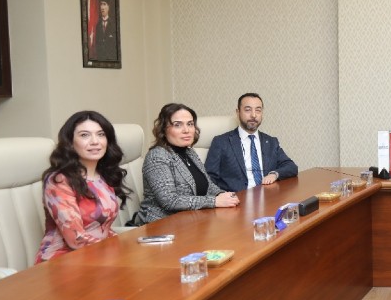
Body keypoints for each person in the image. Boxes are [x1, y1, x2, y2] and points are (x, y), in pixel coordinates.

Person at [35, 111, 131, 264]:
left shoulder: (104, 176)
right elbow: (76, 239)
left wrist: (128, 246)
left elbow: (102, 229)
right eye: (85, 135)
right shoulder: (59, 181)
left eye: (101, 134)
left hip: (100, 257)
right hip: (63, 261)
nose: (95, 141)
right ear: (70, 142)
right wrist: (118, 250)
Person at [136, 103, 239, 224]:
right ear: (163, 129)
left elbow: (208, 185)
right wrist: (214, 201)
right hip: (160, 224)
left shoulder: (189, 152)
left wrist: (223, 195)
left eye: (190, 124)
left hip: (191, 220)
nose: (186, 130)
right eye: (178, 125)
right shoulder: (157, 156)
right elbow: (170, 201)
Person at [205, 93, 298, 191]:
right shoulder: (221, 142)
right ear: (238, 112)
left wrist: (274, 174)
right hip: (237, 198)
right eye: (248, 110)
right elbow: (209, 178)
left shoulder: (271, 142)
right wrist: (221, 195)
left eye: (258, 110)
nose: (253, 115)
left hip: (268, 196)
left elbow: (291, 166)